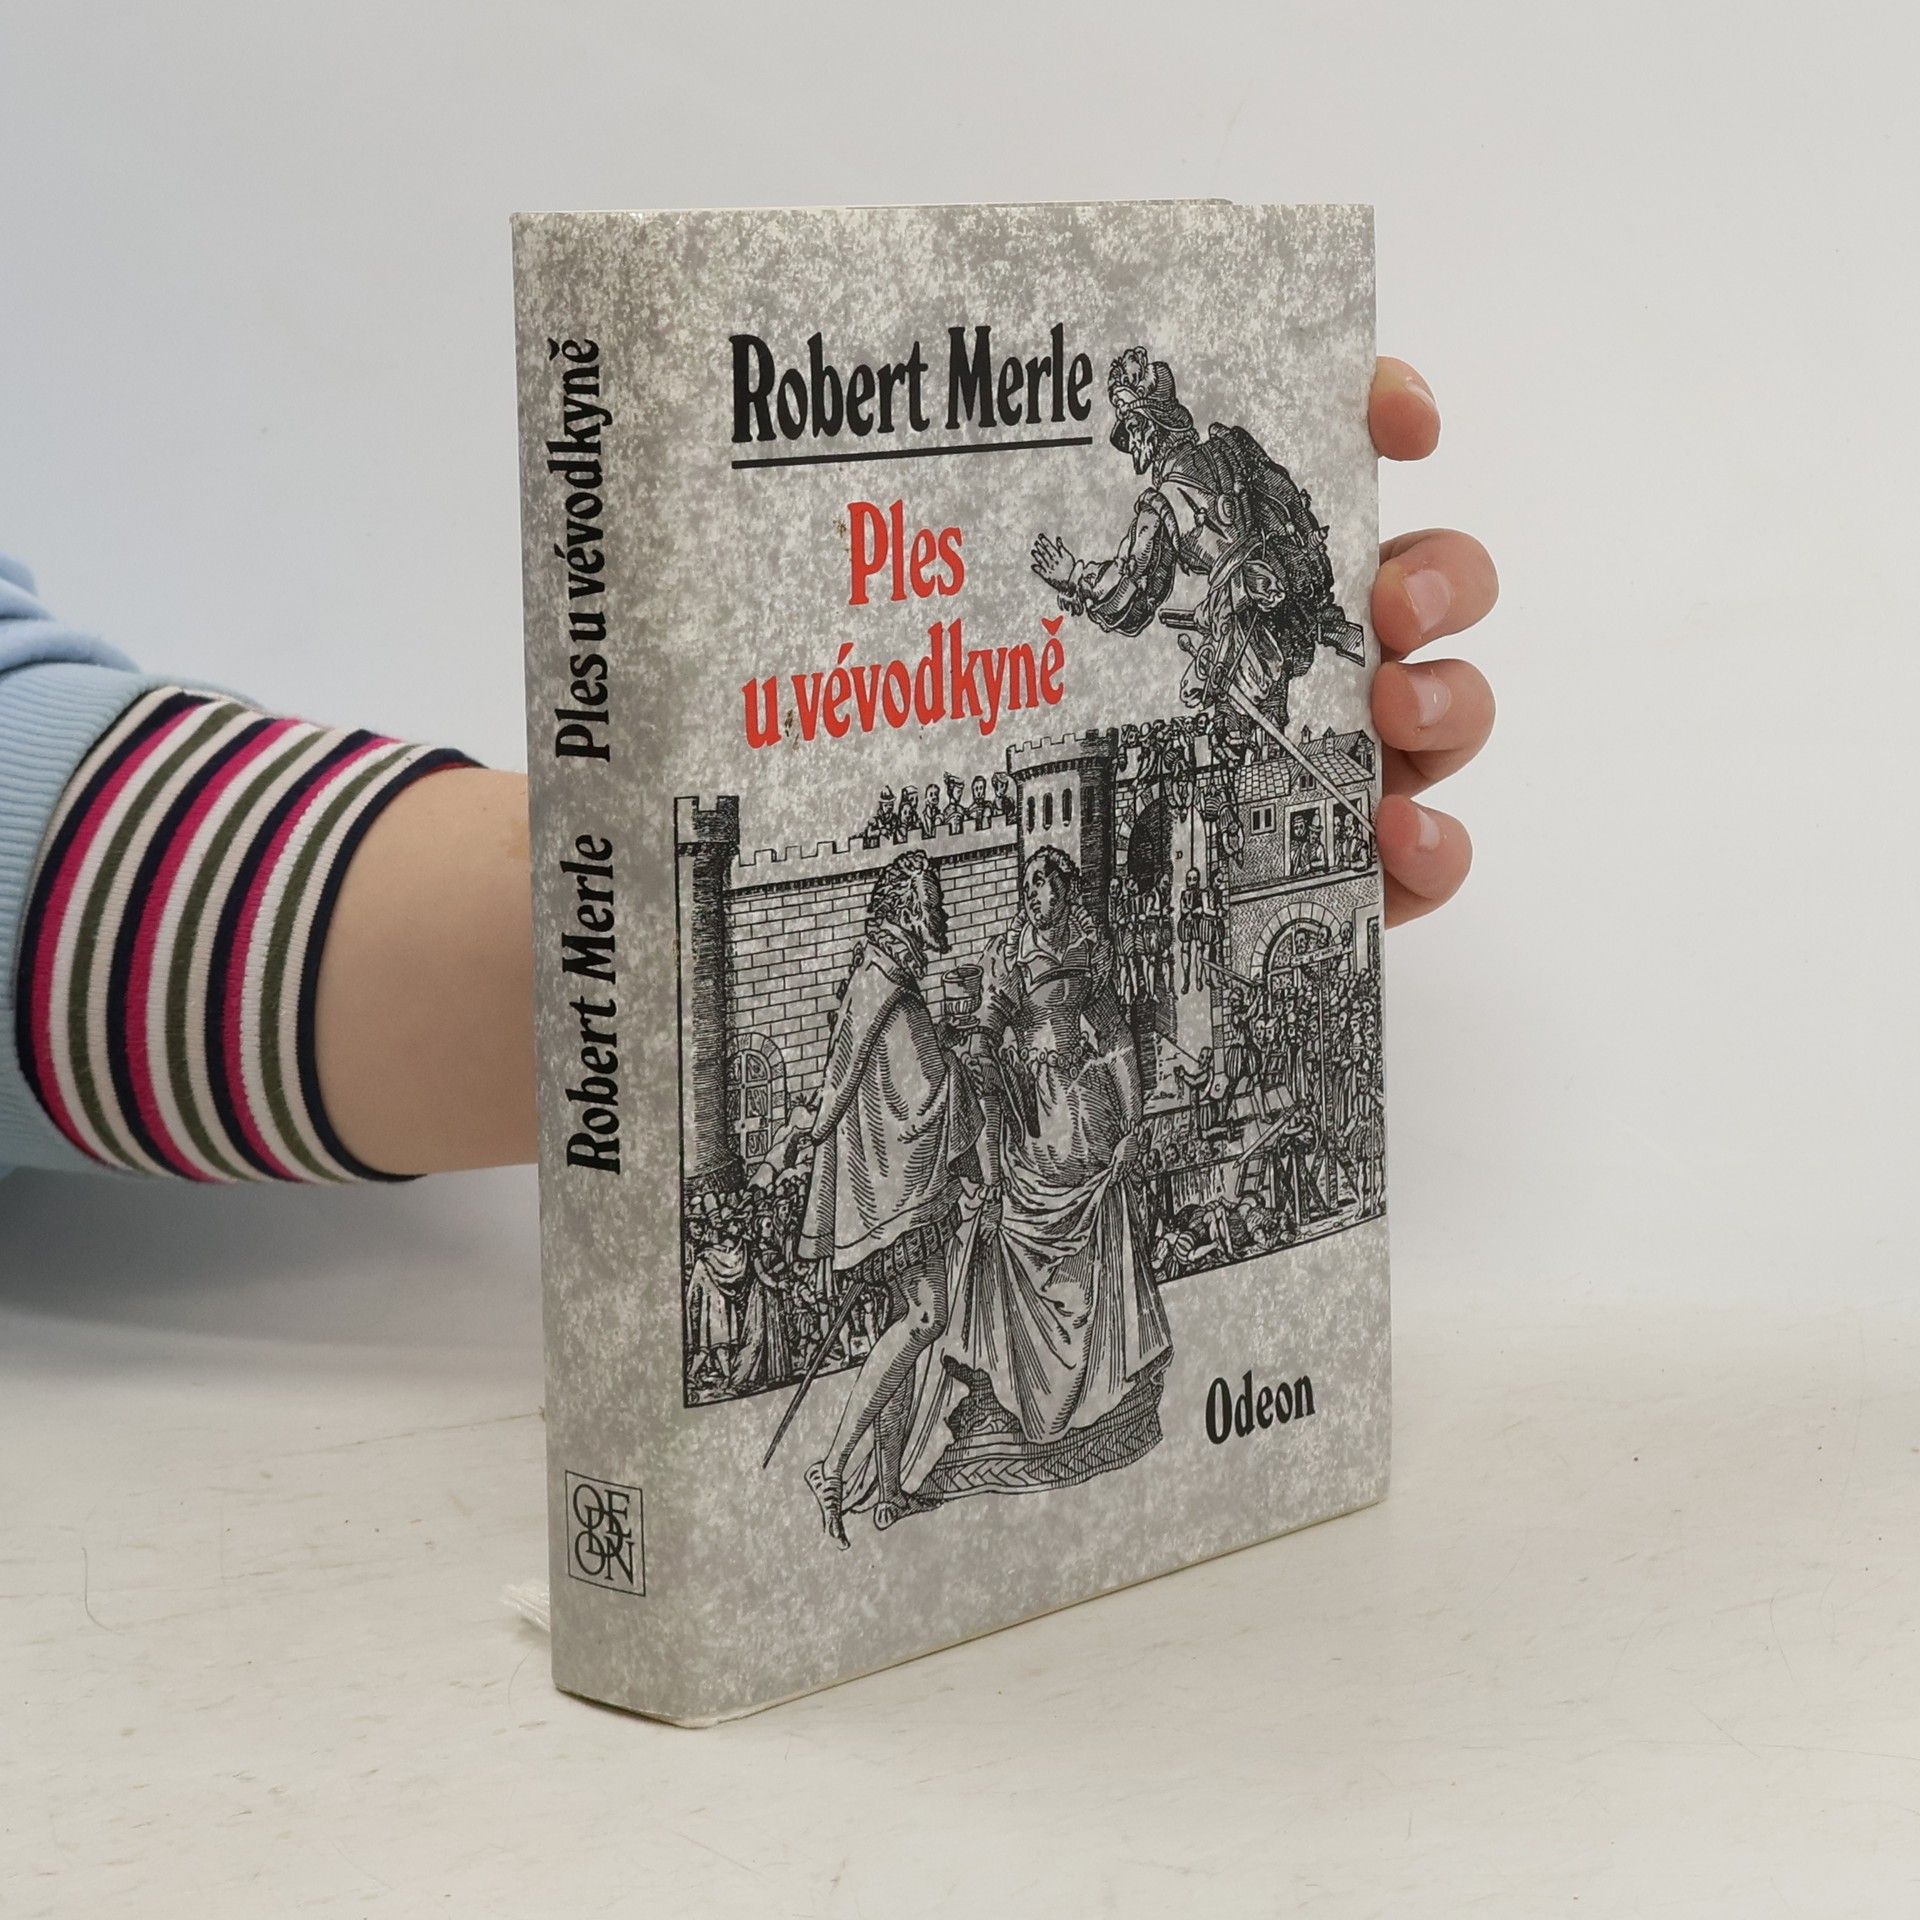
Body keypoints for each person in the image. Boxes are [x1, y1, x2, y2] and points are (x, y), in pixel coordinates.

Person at [0, 358, 1493, 1191]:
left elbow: (1236, 551)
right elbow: (1139, 589)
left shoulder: (1215, 473)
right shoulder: (1192, 486)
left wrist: (609, 939)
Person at [794, 850, 984, 1545]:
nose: (940, 912)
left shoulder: (894, 979)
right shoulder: (877, 980)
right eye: (931, 900)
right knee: (927, 1317)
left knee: (908, 1323)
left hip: (906, 1184)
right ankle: (833, 1467)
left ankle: (890, 1488)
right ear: (905, 907)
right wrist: (809, 1129)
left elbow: (904, 1069)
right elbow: (849, 1077)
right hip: (893, 1190)